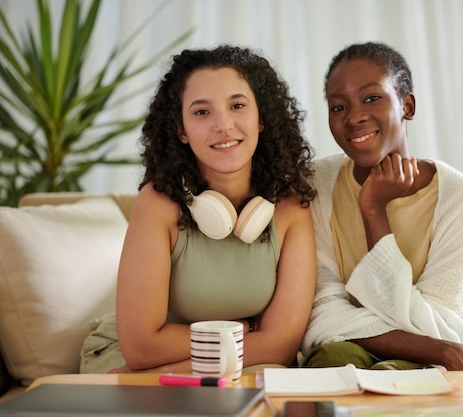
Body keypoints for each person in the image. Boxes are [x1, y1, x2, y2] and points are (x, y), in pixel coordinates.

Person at [80, 45, 317, 374]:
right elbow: (142, 347)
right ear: (181, 130)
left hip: (226, 364)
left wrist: (236, 350)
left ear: (261, 118)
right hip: (134, 362)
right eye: (202, 112)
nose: (223, 124)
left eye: (237, 105)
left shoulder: (291, 207)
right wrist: (246, 332)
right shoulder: (158, 203)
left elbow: (280, 345)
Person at [300, 42, 463, 371]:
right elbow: (321, 308)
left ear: (407, 105)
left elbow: (436, 323)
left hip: (422, 357)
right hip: (350, 346)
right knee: (333, 360)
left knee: (397, 377)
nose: (354, 117)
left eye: (372, 98)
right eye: (337, 107)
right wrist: (440, 349)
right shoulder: (316, 182)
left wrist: (374, 211)